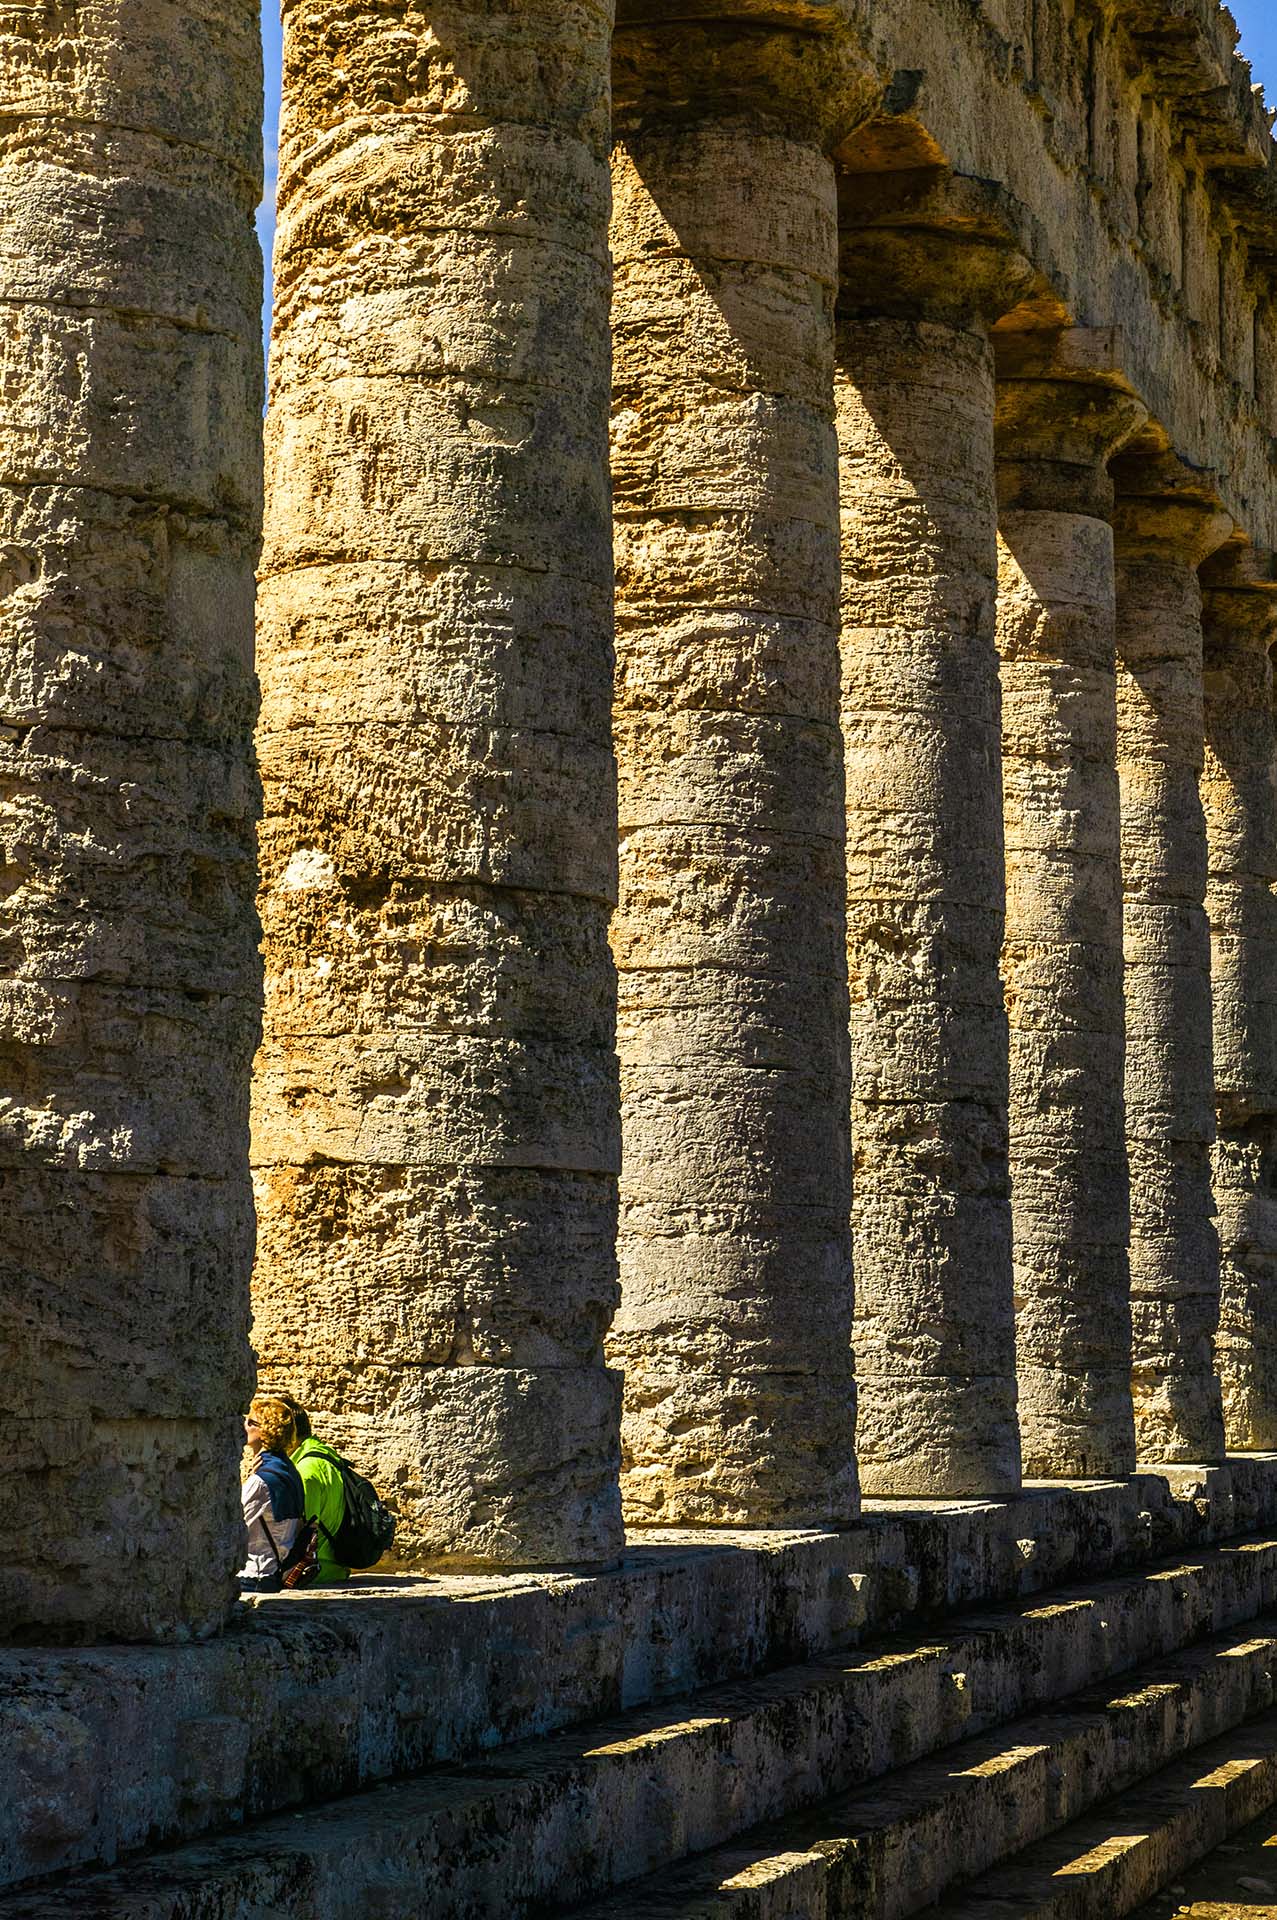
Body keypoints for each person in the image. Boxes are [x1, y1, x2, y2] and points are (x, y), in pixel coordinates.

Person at [268, 1390, 352, 1586]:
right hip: (333, 1569)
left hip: (311, 1573)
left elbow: (300, 1536)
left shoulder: (304, 1472)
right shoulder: (324, 1455)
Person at [238, 1396, 306, 1593]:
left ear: (266, 1431)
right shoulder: (289, 1470)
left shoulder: (261, 1482)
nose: (244, 1425)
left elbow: (231, 1525)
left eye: (251, 1422)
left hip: (253, 1576)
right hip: (274, 1572)